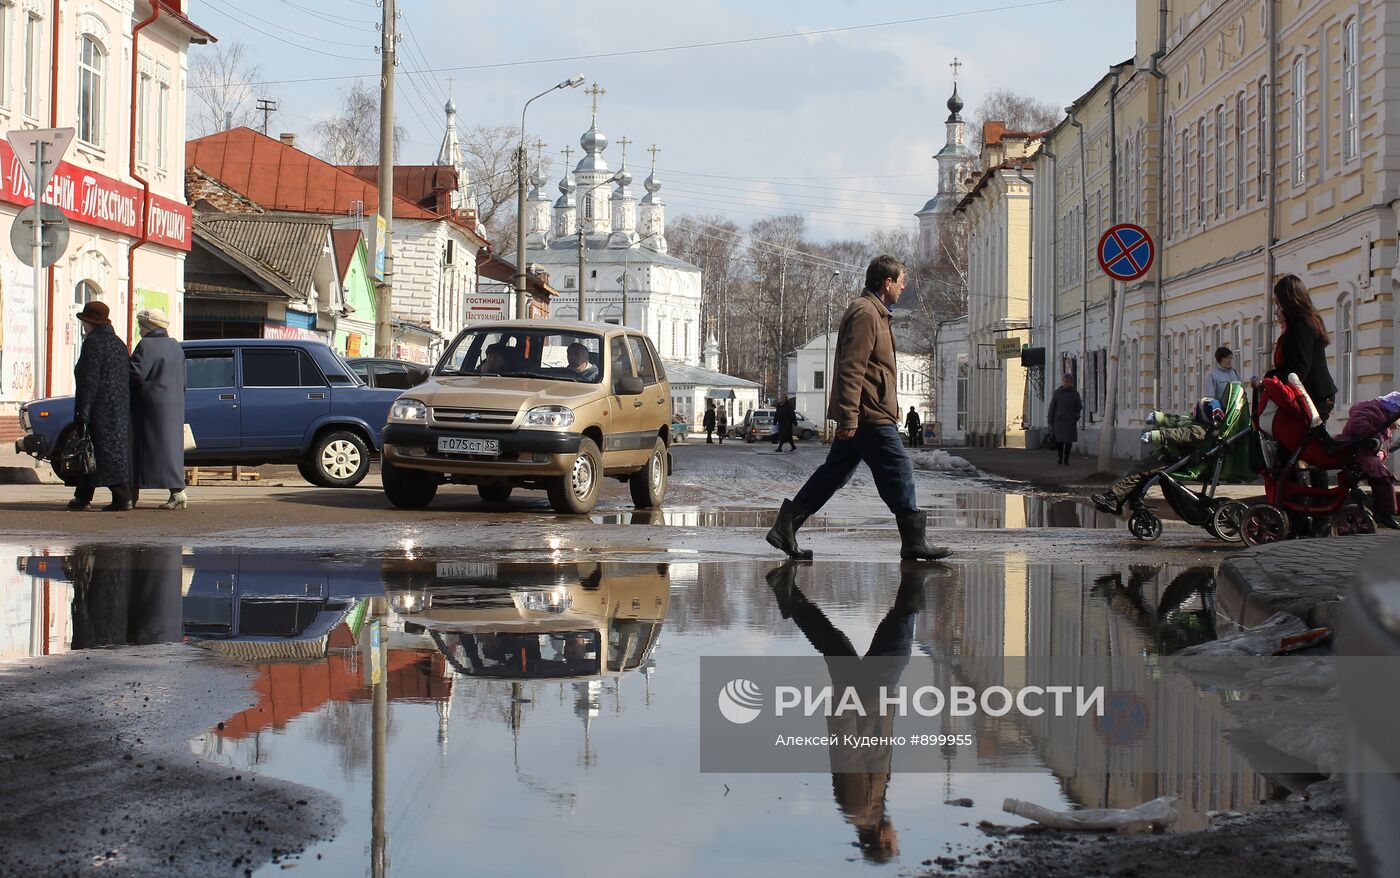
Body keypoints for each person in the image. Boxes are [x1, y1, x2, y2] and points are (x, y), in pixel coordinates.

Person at [765, 255, 949, 561]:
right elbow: (852, 368)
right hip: (867, 416)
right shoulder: (866, 313)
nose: (904, 287)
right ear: (886, 282)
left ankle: (786, 527)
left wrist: (892, 405)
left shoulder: (876, 313)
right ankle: (914, 541)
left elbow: (878, 370)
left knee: (833, 474)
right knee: (900, 470)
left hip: (871, 411)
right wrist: (850, 415)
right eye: (901, 281)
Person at [767, 561, 934, 864]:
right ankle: (787, 592)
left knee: (897, 649)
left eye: (895, 843)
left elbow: (846, 752)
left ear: (882, 842)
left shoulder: (858, 808)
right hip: (870, 700)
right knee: (836, 646)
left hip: (863, 699)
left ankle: (914, 580)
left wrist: (845, 702)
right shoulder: (870, 810)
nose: (897, 836)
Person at [1090, 396, 1227, 515]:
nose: (1194, 408)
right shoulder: (1195, 422)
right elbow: (1175, 420)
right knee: (1140, 472)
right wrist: (1159, 417)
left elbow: (1177, 435)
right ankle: (1124, 499)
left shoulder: (1198, 430)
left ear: (1203, 414)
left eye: (1198, 407)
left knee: (1138, 473)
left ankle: (1113, 498)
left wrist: (1156, 436)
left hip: (1172, 459)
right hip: (1167, 455)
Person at [1273, 274, 1337, 491]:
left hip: (1316, 396)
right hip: (1312, 394)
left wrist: (1272, 379)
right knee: (1298, 449)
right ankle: (1301, 503)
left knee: (1309, 450)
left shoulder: (1302, 324)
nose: (1277, 305)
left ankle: (1318, 506)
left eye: (1279, 300)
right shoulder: (1305, 320)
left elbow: (1300, 366)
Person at [70, 301, 132, 512]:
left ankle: (121, 496)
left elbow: (89, 380)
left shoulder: (93, 343)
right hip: (119, 409)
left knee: (94, 451)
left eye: (84, 322)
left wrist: (82, 413)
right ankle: (84, 495)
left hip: (98, 409)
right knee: (102, 453)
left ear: (90, 322)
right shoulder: (118, 344)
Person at [130, 308, 188, 510]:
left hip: (149, 407)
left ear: (148, 327)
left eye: (140, 326)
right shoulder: (175, 346)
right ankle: (177, 492)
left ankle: (131, 494)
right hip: (174, 406)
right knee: (170, 451)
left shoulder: (146, 346)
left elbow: (135, 375)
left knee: (139, 451)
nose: (139, 330)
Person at [1336, 391, 1400, 529]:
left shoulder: (1379, 415)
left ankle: (1380, 509)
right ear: (1394, 412)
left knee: (1381, 474)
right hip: (1356, 452)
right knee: (1384, 477)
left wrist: (1380, 452)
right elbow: (1357, 423)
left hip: (1361, 453)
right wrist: (1375, 438)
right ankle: (1384, 513)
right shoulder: (1374, 412)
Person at [1046, 373, 1082, 466]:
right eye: (1064, 381)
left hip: (1070, 420)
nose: (1066, 383)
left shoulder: (1075, 393)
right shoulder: (1057, 393)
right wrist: (1050, 420)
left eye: (1068, 381)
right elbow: (1052, 407)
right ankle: (1060, 458)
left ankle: (1066, 459)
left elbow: (1079, 406)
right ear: (1062, 382)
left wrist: (1076, 415)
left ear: (1071, 382)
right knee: (1060, 441)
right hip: (1059, 421)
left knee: (1068, 442)